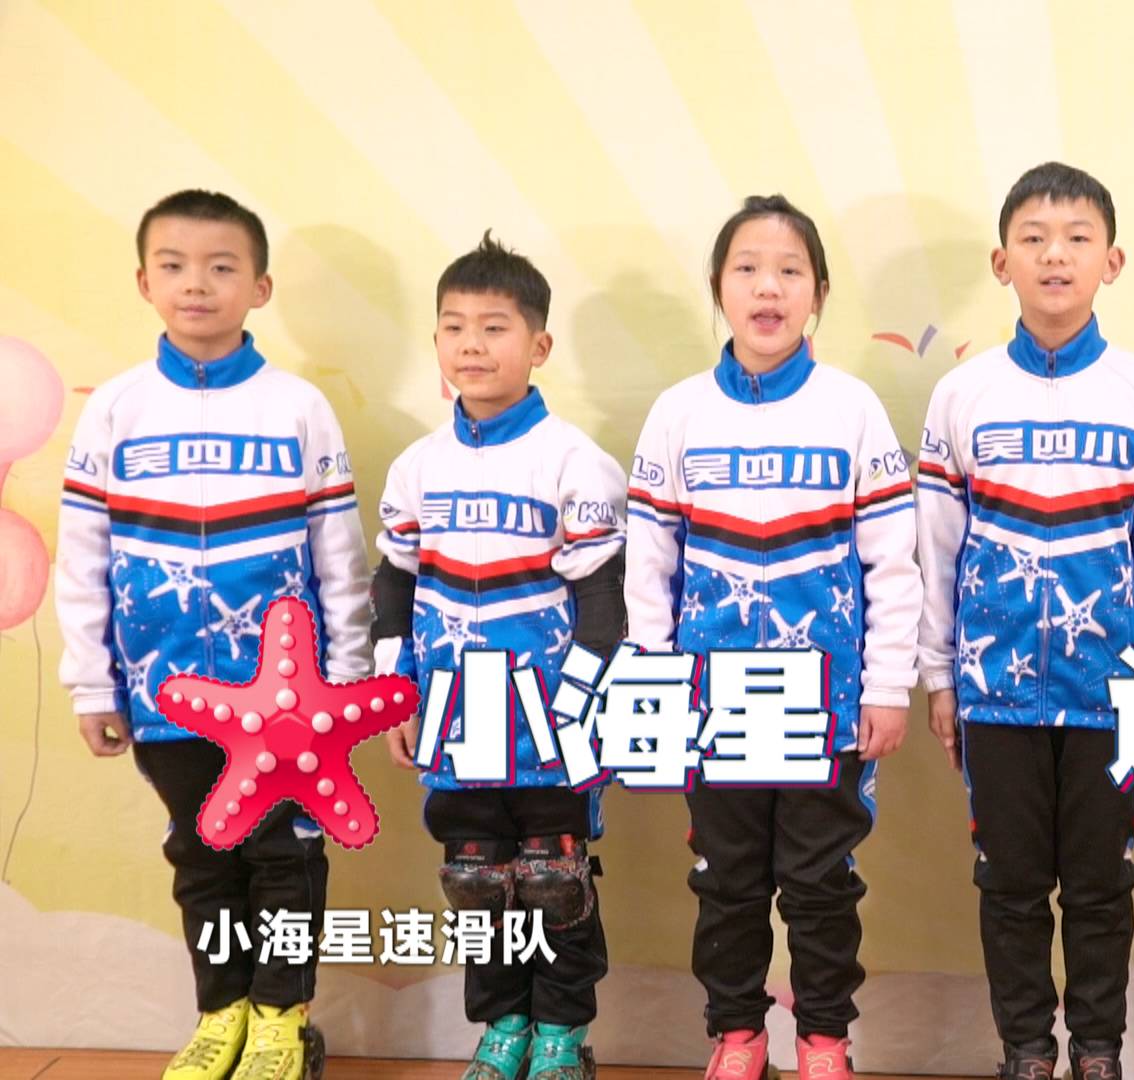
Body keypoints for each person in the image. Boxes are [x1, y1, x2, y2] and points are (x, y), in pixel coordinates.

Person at [56, 189, 370, 1080]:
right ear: (145, 283)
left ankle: (279, 1019)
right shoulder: (114, 410)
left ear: (259, 288)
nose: (197, 284)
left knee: (282, 858)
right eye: (175, 266)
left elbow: (340, 558)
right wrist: (93, 683)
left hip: (287, 702)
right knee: (201, 856)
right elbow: (83, 556)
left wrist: (347, 680)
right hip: (163, 696)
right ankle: (220, 1013)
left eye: (222, 267)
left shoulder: (298, 408)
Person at [915, 162, 1134, 1080]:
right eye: (1034, 238)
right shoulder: (963, 395)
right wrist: (940, 675)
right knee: (1007, 884)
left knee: (1101, 885)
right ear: (1001, 262)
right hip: (992, 691)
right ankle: (1027, 1052)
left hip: (1113, 691)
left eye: (1078, 238)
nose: (1055, 255)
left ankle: (1098, 1052)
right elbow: (937, 546)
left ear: (1111, 262)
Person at [624, 195, 919, 1080]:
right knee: (727, 880)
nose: (768, 288)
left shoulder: (853, 409)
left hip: (827, 705)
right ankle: (737, 1036)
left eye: (791, 272)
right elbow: (650, 566)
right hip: (710, 704)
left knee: (822, 883)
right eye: (747, 269)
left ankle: (825, 1040)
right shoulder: (678, 414)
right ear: (719, 288)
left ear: (818, 294)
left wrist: (886, 686)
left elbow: (892, 562)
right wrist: (654, 686)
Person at [374, 232, 626, 1080]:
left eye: (495, 327)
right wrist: (395, 692)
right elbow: (394, 584)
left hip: (552, 721)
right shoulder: (417, 468)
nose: (472, 345)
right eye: (454, 328)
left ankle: (561, 1033)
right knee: (476, 881)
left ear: (539, 345)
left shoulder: (574, 462)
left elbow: (604, 601)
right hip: (456, 718)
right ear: (436, 342)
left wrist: (578, 704)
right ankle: (503, 1027)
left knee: (556, 879)